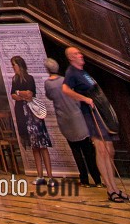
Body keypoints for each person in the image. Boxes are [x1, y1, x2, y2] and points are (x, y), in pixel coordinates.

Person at [63, 45, 127, 202]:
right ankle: (110, 189)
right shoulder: (71, 73)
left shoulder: (83, 72)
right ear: (71, 57)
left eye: (79, 52)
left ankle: (115, 186)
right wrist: (84, 99)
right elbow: (65, 89)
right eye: (76, 53)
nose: (80, 55)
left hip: (101, 112)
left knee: (110, 150)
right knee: (102, 150)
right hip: (91, 114)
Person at [43, 57, 102, 188]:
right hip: (77, 116)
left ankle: (84, 180)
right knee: (88, 151)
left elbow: (50, 96)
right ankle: (97, 179)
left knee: (76, 151)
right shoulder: (65, 80)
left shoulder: (48, 84)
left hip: (64, 118)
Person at [9, 56, 52, 182]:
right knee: (34, 147)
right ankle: (40, 175)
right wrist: (19, 94)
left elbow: (29, 94)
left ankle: (50, 176)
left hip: (33, 115)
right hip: (22, 114)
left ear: (20, 65)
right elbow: (13, 95)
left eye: (14, 65)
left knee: (42, 145)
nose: (13, 67)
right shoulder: (14, 79)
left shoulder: (29, 78)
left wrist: (19, 93)